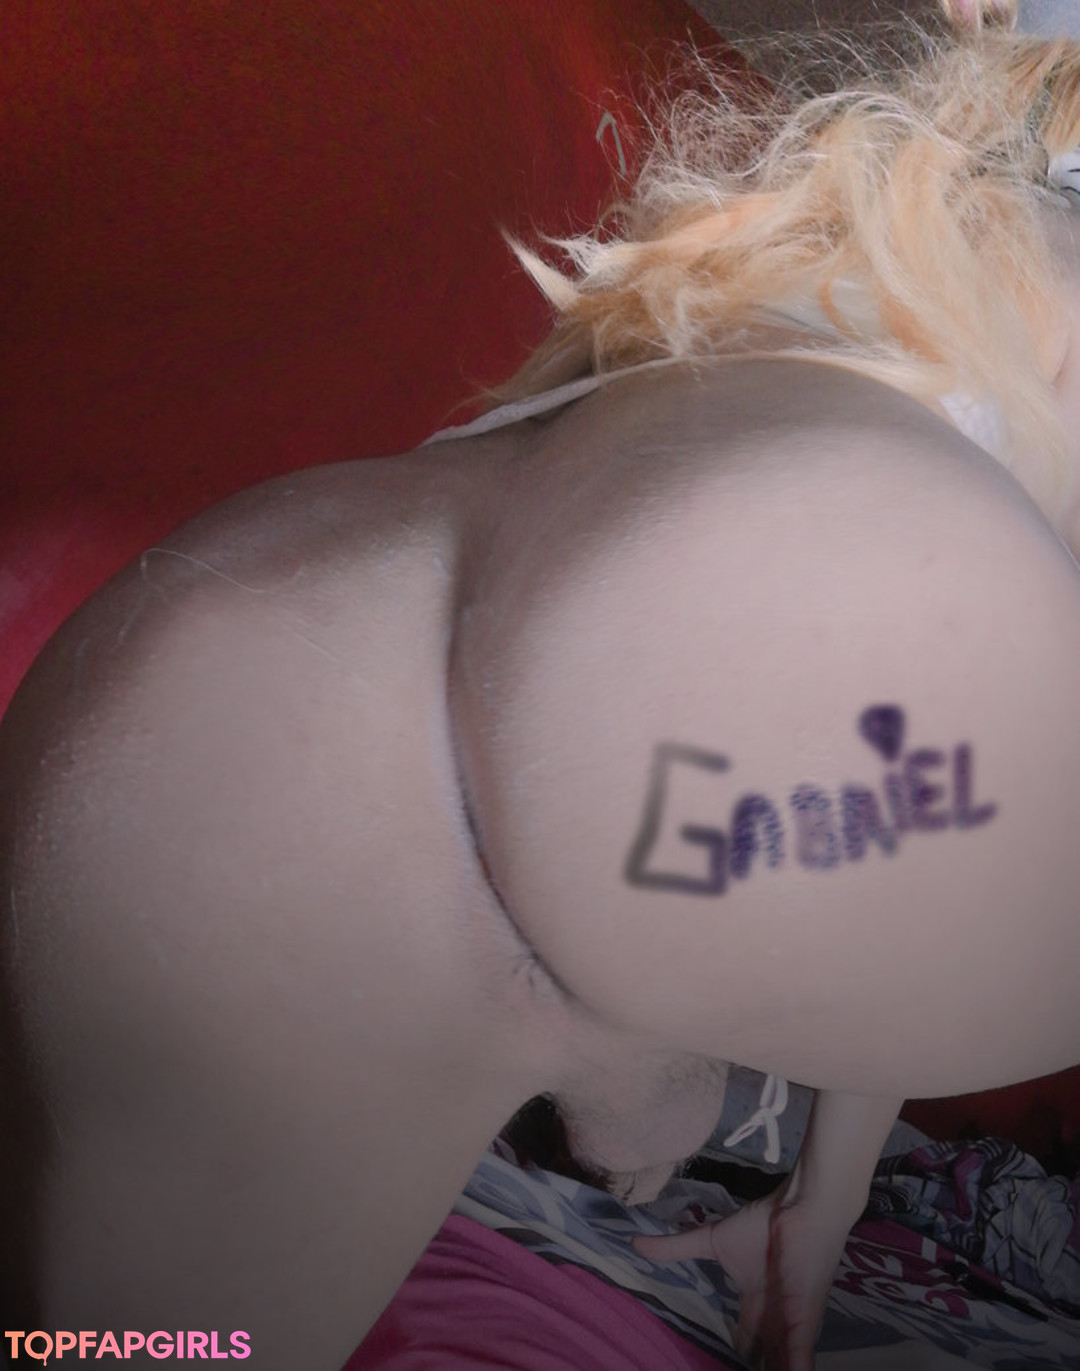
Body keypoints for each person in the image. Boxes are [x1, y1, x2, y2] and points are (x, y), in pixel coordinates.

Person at [3, 3, 1080, 1367]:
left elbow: (877, 775)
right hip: (395, 878)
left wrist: (825, 1192)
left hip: (214, 672)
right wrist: (649, 1062)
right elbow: (863, 766)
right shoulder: (966, 377)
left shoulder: (899, 270)